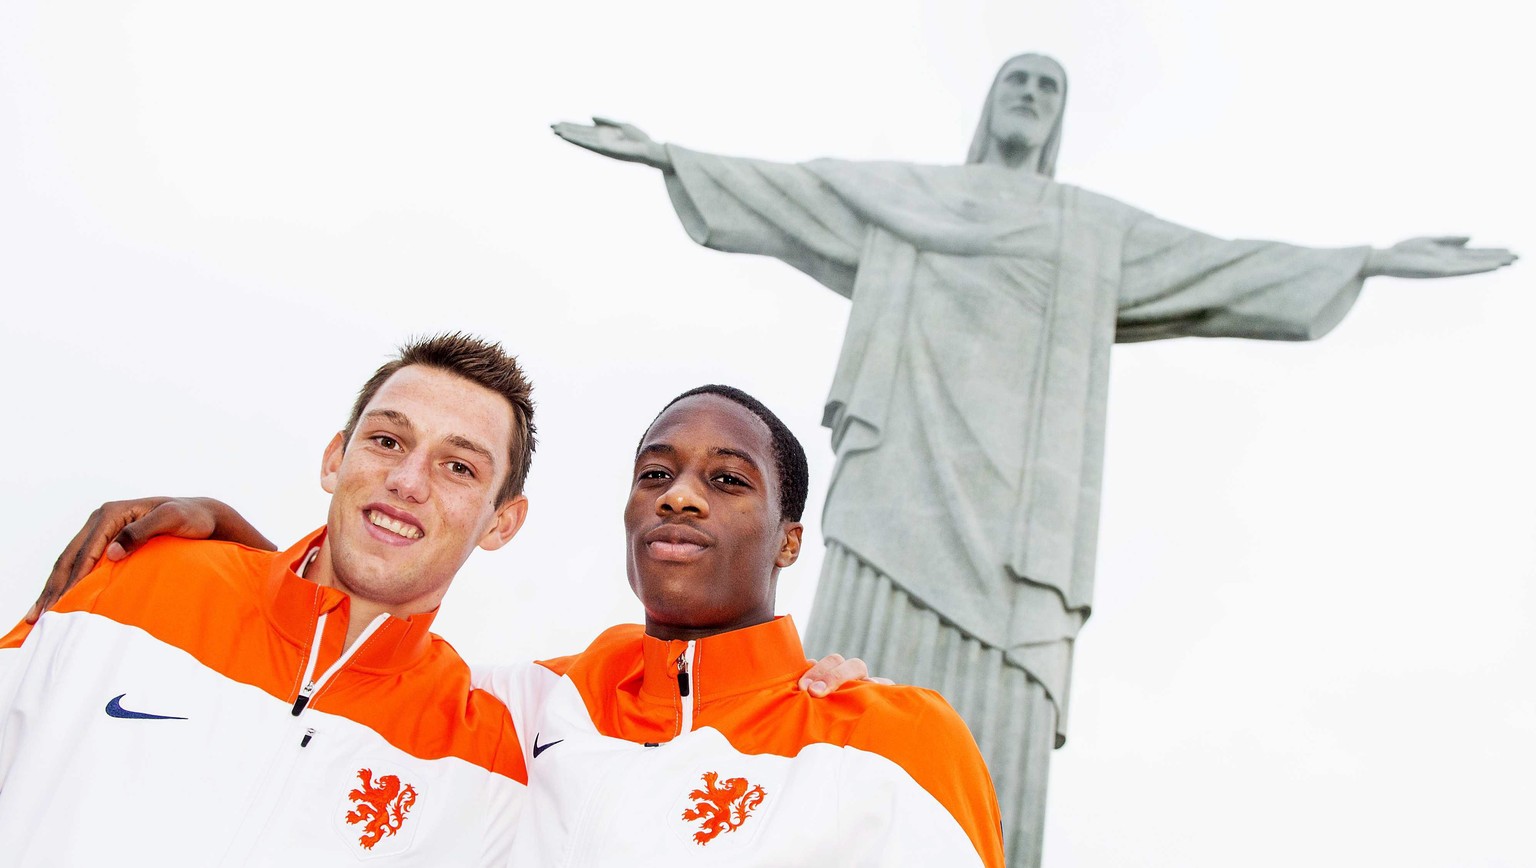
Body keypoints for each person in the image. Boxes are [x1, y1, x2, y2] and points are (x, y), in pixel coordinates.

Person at [549, 52, 1518, 866]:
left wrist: (1369, 259)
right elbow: (796, 189)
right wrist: (670, 156)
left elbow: (1223, 263)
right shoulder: (911, 195)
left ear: (1058, 121)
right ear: (987, 103)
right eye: (1017, 79)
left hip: (1021, 519)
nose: (1029, 96)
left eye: (1048, 87)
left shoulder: (1091, 229)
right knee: (840, 697)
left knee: (985, 719)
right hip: (901, 482)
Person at [28, 385, 1006, 866]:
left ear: (789, 540)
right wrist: (243, 550)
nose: (680, 498)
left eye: (726, 480)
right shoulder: (522, 713)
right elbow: (360, 660)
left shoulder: (896, 739)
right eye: (655, 474)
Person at [0, 333, 537, 864]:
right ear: (334, 459)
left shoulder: (490, 762)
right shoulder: (133, 579)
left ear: (502, 523)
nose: (406, 480)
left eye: (459, 467)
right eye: (387, 441)